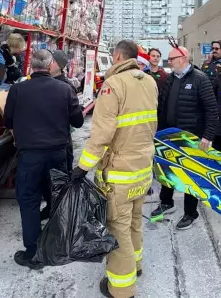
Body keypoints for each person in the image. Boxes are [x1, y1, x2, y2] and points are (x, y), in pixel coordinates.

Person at [71, 40, 158, 298]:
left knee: (118, 228)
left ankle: (122, 289)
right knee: (134, 222)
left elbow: (101, 135)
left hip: (120, 173)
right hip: (143, 167)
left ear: (118, 56)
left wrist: (82, 167)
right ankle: (136, 266)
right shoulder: (149, 81)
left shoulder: (113, 85)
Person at [3, 50, 84, 270]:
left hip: (30, 156)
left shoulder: (17, 90)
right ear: (49, 66)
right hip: (58, 154)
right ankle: (59, 245)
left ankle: (34, 254)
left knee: (28, 202)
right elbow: (78, 122)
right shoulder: (65, 89)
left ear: (30, 66)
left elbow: (7, 120)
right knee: (57, 197)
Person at [151, 45, 218, 230]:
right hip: (169, 136)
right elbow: (162, 106)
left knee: (191, 175)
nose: (169, 61)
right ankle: (167, 202)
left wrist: (207, 135)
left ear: (183, 58)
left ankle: (191, 212)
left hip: (191, 138)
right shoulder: (171, 78)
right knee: (167, 170)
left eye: (172, 58)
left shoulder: (200, 79)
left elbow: (211, 110)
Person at [49, 50, 80, 173]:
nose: (48, 64)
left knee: (61, 176)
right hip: (47, 143)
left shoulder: (66, 87)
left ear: (58, 65)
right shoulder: (38, 82)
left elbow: (76, 119)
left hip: (61, 142)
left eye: (51, 61)